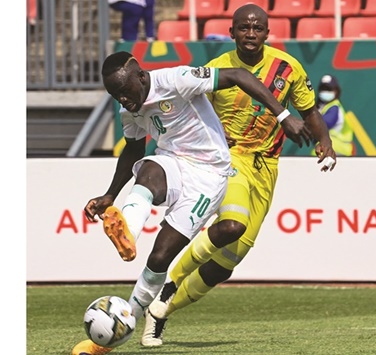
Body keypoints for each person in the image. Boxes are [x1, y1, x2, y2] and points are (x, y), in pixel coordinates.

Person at [71, 50, 313, 355]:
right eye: (114, 95)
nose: (122, 99)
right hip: (172, 162)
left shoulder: (176, 79)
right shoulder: (130, 110)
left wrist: (283, 115)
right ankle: (128, 231)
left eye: (124, 90)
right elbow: (132, 150)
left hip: (209, 175)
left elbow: (239, 76)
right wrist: (109, 195)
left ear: (141, 77)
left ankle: (129, 316)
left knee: (160, 257)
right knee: (148, 167)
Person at [140, 4, 336, 346]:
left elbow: (309, 110)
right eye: (243, 28)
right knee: (232, 224)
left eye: (257, 28)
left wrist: (325, 141)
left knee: (228, 262)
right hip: (228, 160)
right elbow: (187, 110)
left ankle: (161, 311)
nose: (250, 33)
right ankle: (170, 281)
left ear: (267, 33)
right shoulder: (216, 70)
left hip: (267, 166)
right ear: (231, 33)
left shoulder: (287, 68)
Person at [314, 74, 354, 156]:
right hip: (329, 149)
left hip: (337, 150)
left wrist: (308, 124)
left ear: (336, 91)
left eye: (328, 89)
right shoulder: (322, 108)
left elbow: (325, 123)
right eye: (323, 89)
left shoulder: (334, 107)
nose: (325, 92)